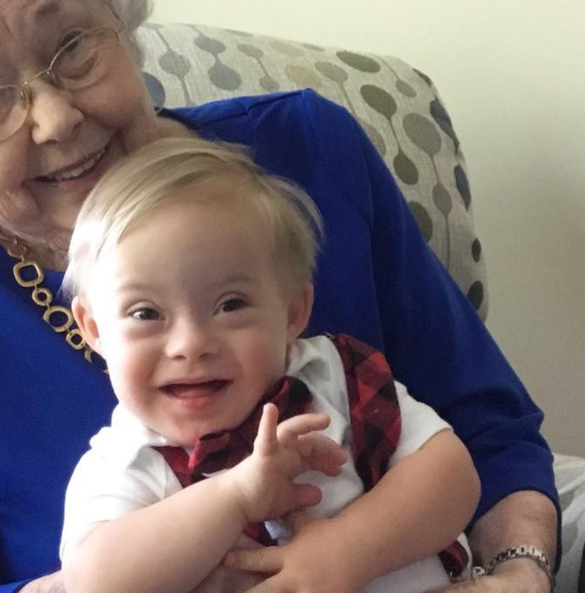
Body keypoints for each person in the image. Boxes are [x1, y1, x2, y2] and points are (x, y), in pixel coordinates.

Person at [0, 0, 559, 591]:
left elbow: (483, 427)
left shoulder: (306, 157)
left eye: (72, 47)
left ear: (121, 26)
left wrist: (518, 572)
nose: (56, 118)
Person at [57, 138, 480, 593]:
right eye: (145, 313)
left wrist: (346, 550)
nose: (190, 345)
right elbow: (92, 583)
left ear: (292, 312)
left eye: (231, 304)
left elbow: (452, 477)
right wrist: (235, 496)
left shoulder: (335, 376)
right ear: (95, 328)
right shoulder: (126, 464)